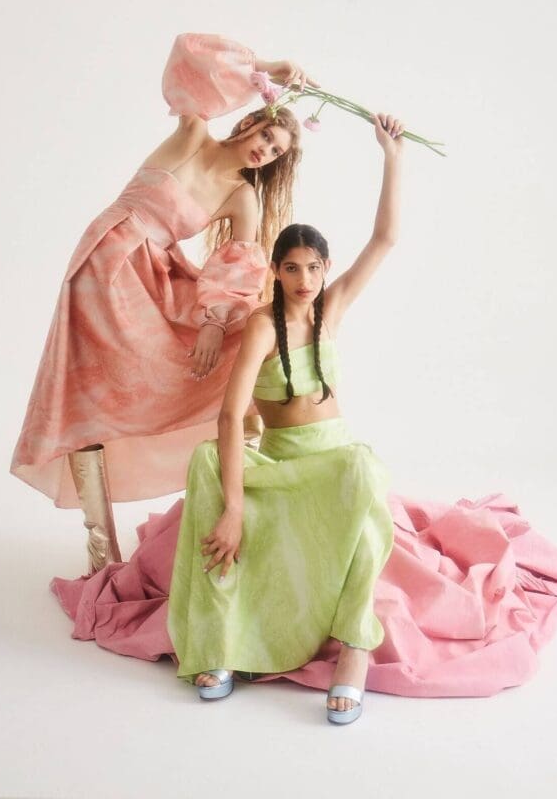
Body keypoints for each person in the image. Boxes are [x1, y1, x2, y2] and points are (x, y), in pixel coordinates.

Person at [11, 32, 317, 572]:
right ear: (248, 121)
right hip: (106, 260)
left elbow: (240, 266)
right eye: (265, 137)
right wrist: (268, 67)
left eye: (274, 152)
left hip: (153, 274)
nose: (263, 151)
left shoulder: (240, 195)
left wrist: (211, 324)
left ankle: (246, 500)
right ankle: (101, 551)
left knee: (247, 336)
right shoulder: (194, 136)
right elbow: (188, 54)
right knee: (87, 392)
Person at [168, 112, 405, 725]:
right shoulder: (260, 325)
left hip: (329, 456)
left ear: (326, 271)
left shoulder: (333, 307)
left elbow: (384, 240)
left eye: (314, 268)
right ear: (276, 270)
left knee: (365, 470)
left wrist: (391, 157)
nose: (304, 280)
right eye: (292, 268)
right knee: (204, 463)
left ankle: (354, 649)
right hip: (277, 458)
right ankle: (222, 644)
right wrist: (235, 508)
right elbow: (228, 418)